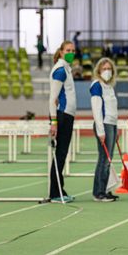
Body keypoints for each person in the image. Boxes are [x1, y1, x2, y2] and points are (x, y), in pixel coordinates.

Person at [49, 40, 77, 203]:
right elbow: (52, 99)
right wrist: (54, 122)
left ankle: (60, 189)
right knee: (60, 154)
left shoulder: (66, 69)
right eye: (68, 50)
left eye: (73, 50)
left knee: (62, 154)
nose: (71, 53)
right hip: (62, 116)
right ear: (61, 52)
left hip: (67, 115)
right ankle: (55, 192)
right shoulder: (60, 70)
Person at [90, 57, 119, 202]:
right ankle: (98, 192)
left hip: (111, 125)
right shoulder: (97, 85)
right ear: (99, 71)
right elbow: (97, 110)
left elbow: (112, 110)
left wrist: (116, 129)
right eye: (104, 69)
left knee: (108, 159)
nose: (107, 71)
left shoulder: (110, 87)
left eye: (109, 69)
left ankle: (105, 190)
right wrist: (101, 131)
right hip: (104, 125)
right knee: (104, 159)